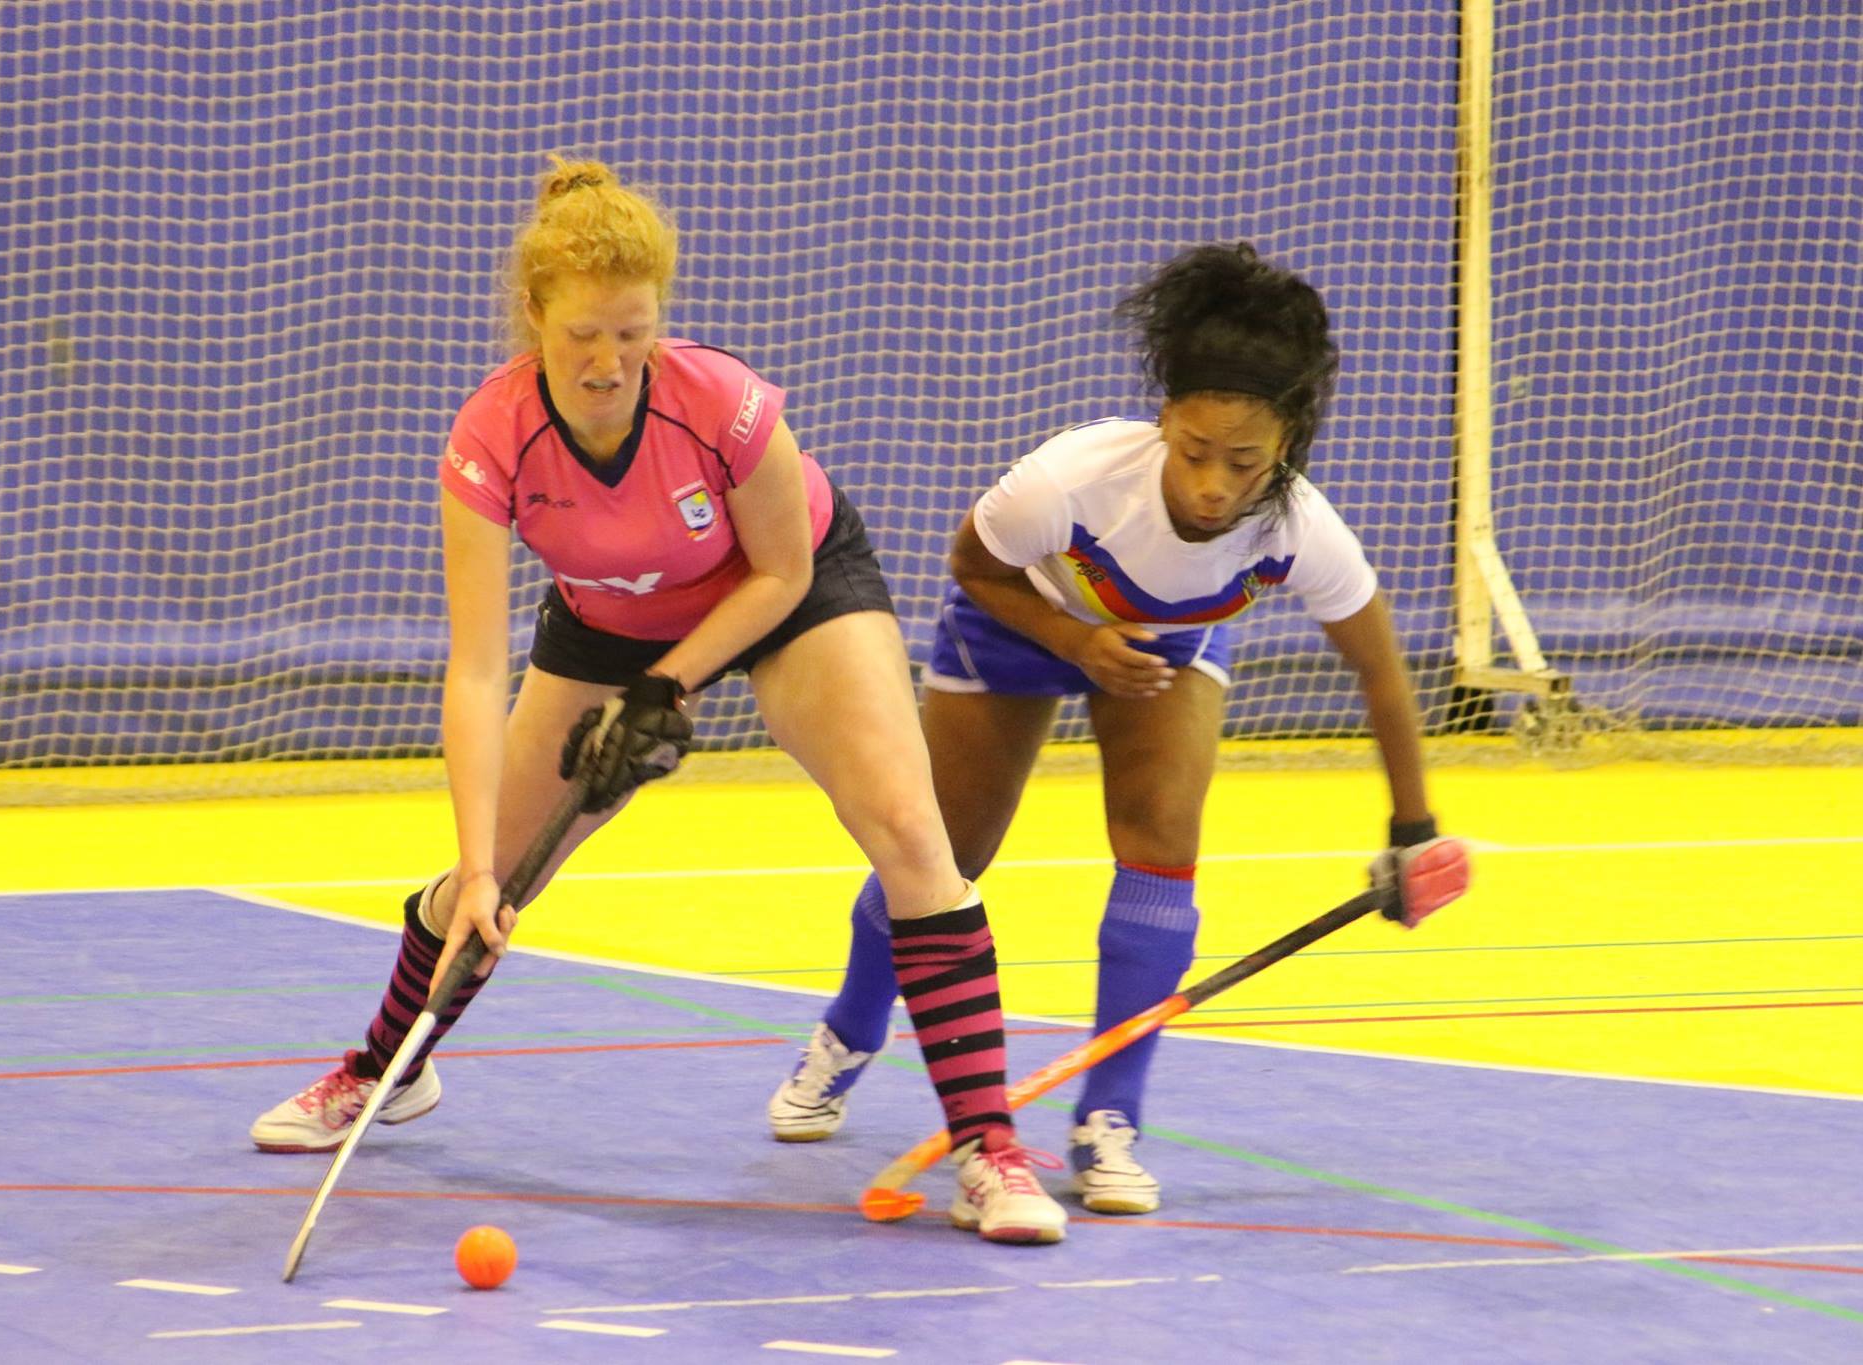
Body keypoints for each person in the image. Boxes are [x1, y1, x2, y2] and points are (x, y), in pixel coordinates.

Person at [249, 158, 1067, 1245]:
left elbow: (776, 572)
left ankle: (988, 1151)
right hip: (605, 625)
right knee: (482, 877)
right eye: (584, 332)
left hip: (789, 589)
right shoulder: (490, 439)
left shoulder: (720, 404)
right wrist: (484, 865)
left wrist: (662, 689)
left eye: (632, 332)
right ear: (533, 313)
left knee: (913, 837)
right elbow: (477, 670)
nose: (608, 360)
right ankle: (382, 1071)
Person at [767, 242, 1470, 1215]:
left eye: (1244, 462)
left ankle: (1109, 1120)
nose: (1214, 485)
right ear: (1162, 423)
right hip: (1018, 621)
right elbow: (974, 567)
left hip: (1166, 653)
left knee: (1158, 845)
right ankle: (848, 1030)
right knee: (939, 851)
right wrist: (1077, 641)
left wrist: (1411, 833)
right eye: (1192, 452)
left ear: (1286, 448)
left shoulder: (1298, 531)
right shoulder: (1072, 480)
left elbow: (1379, 674)